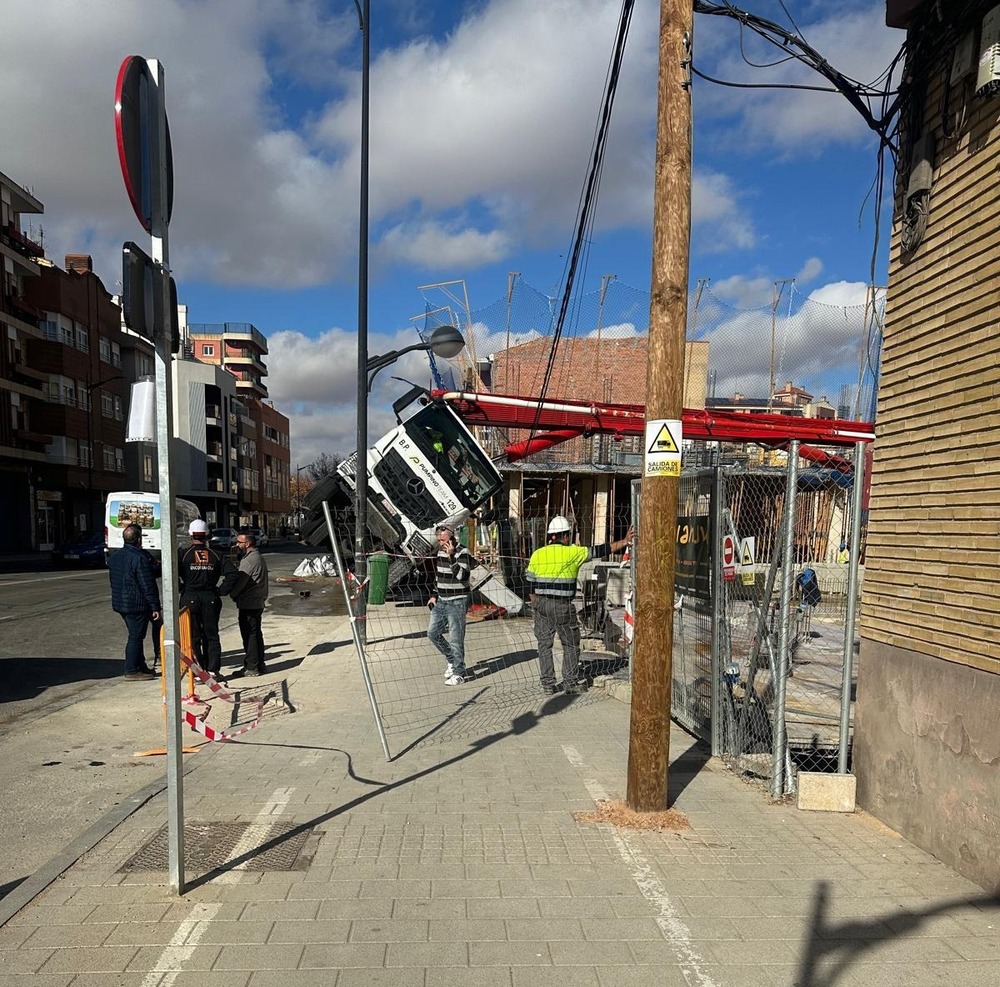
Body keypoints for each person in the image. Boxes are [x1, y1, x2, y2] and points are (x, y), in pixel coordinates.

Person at [526, 515, 633, 696]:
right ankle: (570, 682)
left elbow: (529, 582)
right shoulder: (573, 552)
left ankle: (548, 684)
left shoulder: (538, 554)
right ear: (566, 536)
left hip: (542, 604)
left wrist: (536, 603)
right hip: (562, 606)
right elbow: (601, 550)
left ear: (551, 536)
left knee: (544, 645)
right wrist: (624, 541)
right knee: (570, 644)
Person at [107, 524, 161, 681]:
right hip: (136, 604)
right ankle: (131, 670)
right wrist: (155, 606)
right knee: (136, 636)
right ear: (138, 539)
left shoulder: (116, 556)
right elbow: (147, 584)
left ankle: (140, 665)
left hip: (121, 603)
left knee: (136, 635)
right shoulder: (139, 558)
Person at [177, 519, 225, 677]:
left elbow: (170, 573)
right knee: (211, 634)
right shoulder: (216, 555)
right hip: (210, 596)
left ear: (190, 535)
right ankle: (213, 669)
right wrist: (221, 590)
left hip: (189, 596)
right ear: (207, 536)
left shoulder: (183, 554)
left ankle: (198, 670)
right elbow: (233, 574)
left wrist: (180, 587)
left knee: (194, 636)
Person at [427, 522, 472, 685]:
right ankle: (452, 660)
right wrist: (433, 594)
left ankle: (459, 673)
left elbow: (463, 577)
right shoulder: (439, 551)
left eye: (443, 540)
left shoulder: (463, 551)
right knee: (432, 633)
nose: (441, 543)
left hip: (457, 600)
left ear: (452, 537)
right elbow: (438, 575)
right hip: (441, 599)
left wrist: (451, 555)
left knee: (456, 638)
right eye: (439, 540)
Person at [221, 528, 269, 678]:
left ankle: (252, 666)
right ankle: (258, 664)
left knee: (250, 635)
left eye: (239, 542)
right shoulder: (256, 557)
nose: (237, 544)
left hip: (250, 603)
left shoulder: (249, 560)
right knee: (255, 634)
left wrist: (232, 594)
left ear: (247, 543)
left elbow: (241, 582)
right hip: (256, 601)